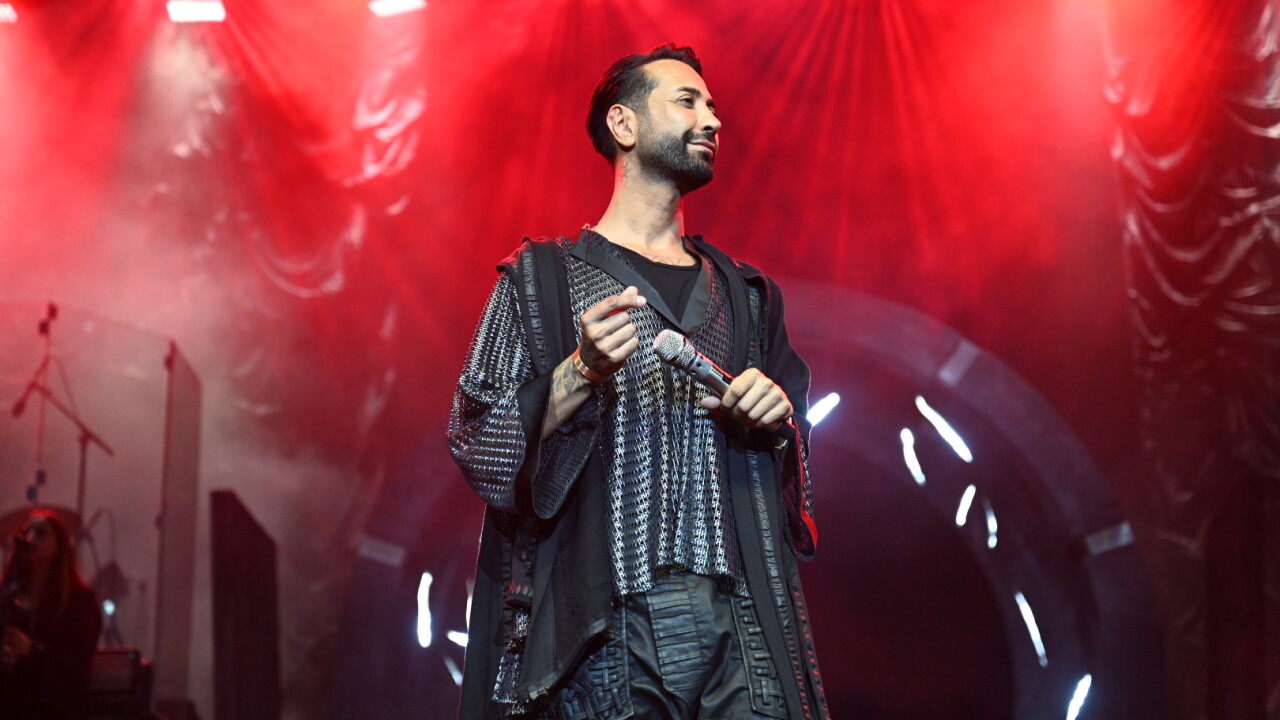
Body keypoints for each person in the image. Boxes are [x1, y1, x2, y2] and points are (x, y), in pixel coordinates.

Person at [448, 43, 828, 719]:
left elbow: (799, 467)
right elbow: (478, 442)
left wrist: (776, 424)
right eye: (687, 101)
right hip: (608, 625)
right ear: (623, 124)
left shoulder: (748, 297)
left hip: (742, 622)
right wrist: (579, 370)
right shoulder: (541, 281)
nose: (712, 120)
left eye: (713, 106)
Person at [0, 508, 102, 720]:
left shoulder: (79, 600)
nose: (30, 538)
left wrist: (31, 649)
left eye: (42, 533)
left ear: (59, 547)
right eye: (26, 532)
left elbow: (77, 665)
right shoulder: (6, 593)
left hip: (55, 710)